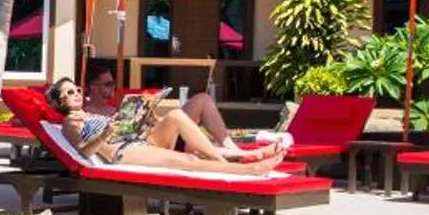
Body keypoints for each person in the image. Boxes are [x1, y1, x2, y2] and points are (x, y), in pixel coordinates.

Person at [45, 76, 286, 174]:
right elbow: (84, 151)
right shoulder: (70, 122)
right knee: (189, 161)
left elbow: (128, 128)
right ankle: (248, 170)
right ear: (61, 101)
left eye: (77, 89)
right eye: (70, 92)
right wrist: (106, 133)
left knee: (175, 116)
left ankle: (231, 158)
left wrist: (142, 118)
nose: (77, 93)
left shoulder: (94, 113)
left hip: (138, 140)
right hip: (122, 152)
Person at [81, 68, 235, 138]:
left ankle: (229, 146)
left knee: (203, 98)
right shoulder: (87, 113)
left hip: (161, 134)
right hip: (152, 144)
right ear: (93, 86)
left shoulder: (116, 107)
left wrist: (151, 117)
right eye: (108, 84)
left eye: (113, 82)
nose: (113, 87)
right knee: (177, 114)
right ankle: (227, 152)